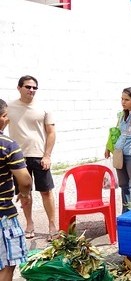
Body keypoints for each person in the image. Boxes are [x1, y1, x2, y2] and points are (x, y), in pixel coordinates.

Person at [8, 75, 58, 241]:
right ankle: (29, 224)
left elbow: (51, 133)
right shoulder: (9, 107)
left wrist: (47, 155)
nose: (31, 90)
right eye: (28, 87)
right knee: (24, 193)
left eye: (34, 88)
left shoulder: (44, 108)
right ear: (19, 88)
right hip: (18, 158)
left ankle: (52, 225)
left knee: (46, 192)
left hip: (39, 156)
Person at [0, 99, 33, 281]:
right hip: (3, 215)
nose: (7, 120)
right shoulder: (7, 144)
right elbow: (25, 180)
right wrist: (25, 193)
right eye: (5, 116)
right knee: (7, 262)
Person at [104, 87, 131, 213]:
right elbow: (116, 132)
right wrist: (107, 146)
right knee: (124, 186)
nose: (123, 102)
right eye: (122, 99)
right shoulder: (122, 115)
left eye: (126, 99)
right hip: (119, 153)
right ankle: (127, 214)